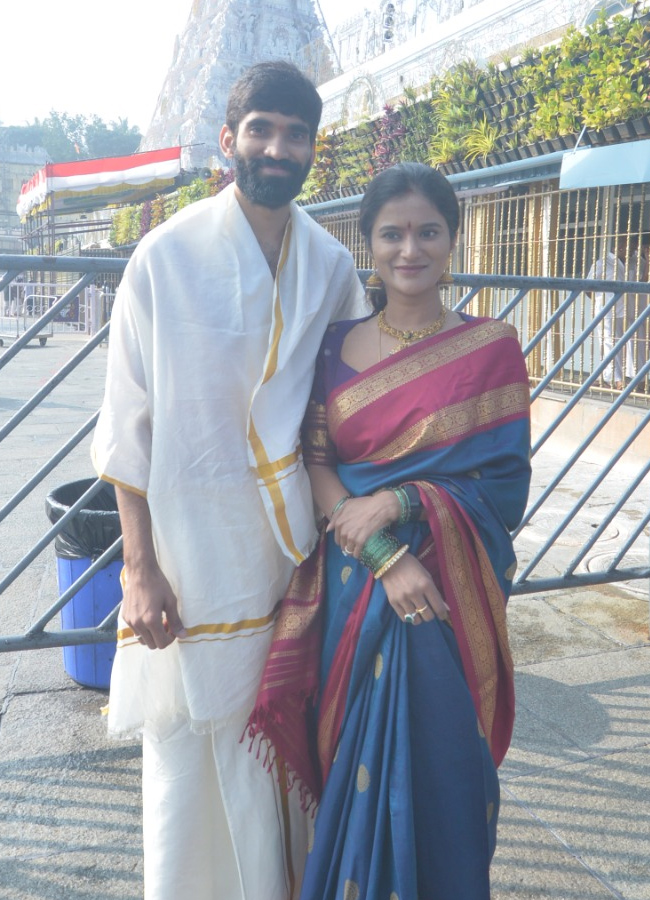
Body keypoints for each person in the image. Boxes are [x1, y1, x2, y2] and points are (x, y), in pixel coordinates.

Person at [91, 61, 366, 900]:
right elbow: (126, 424)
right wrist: (139, 568)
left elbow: (350, 411)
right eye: (262, 130)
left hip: (290, 561)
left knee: (281, 751)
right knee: (190, 756)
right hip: (187, 557)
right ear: (229, 140)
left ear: (314, 149)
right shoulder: (164, 257)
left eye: (296, 135)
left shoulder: (331, 265)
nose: (278, 149)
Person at [249, 162, 532, 899]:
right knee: (357, 756)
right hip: (360, 585)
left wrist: (404, 502)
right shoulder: (333, 346)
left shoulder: (492, 347)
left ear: (452, 240)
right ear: (369, 244)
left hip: (448, 588)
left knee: (440, 762)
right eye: (393, 234)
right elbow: (315, 467)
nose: (411, 249)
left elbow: (501, 488)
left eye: (428, 232)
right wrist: (382, 551)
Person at [588, 233, 639, 389]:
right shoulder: (602, 264)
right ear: (620, 246)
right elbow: (588, 287)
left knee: (626, 346)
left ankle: (610, 377)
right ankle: (616, 379)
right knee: (610, 343)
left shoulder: (632, 264)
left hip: (627, 310)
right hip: (607, 311)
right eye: (630, 247)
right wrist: (602, 301)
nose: (632, 251)